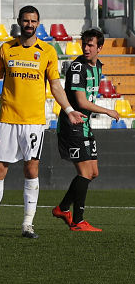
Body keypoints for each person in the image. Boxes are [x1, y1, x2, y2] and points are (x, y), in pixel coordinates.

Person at [0, 5, 83, 239]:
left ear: (38, 23)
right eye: (26, 20)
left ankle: (27, 224)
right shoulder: (6, 49)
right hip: (8, 120)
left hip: (34, 122)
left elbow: (56, 86)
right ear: (19, 21)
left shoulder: (47, 51)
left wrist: (69, 110)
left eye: (33, 21)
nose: (29, 24)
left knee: (31, 169)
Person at [51, 28, 117, 232]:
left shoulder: (98, 67)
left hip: (85, 126)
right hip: (72, 126)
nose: (86, 48)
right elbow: (81, 102)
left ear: (99, 47)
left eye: (90, 45)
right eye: (84, 44)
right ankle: (78, 222)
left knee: (93, 172)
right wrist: (108, 111)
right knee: (85, 172)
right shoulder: (77, 68)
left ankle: (63, 208)